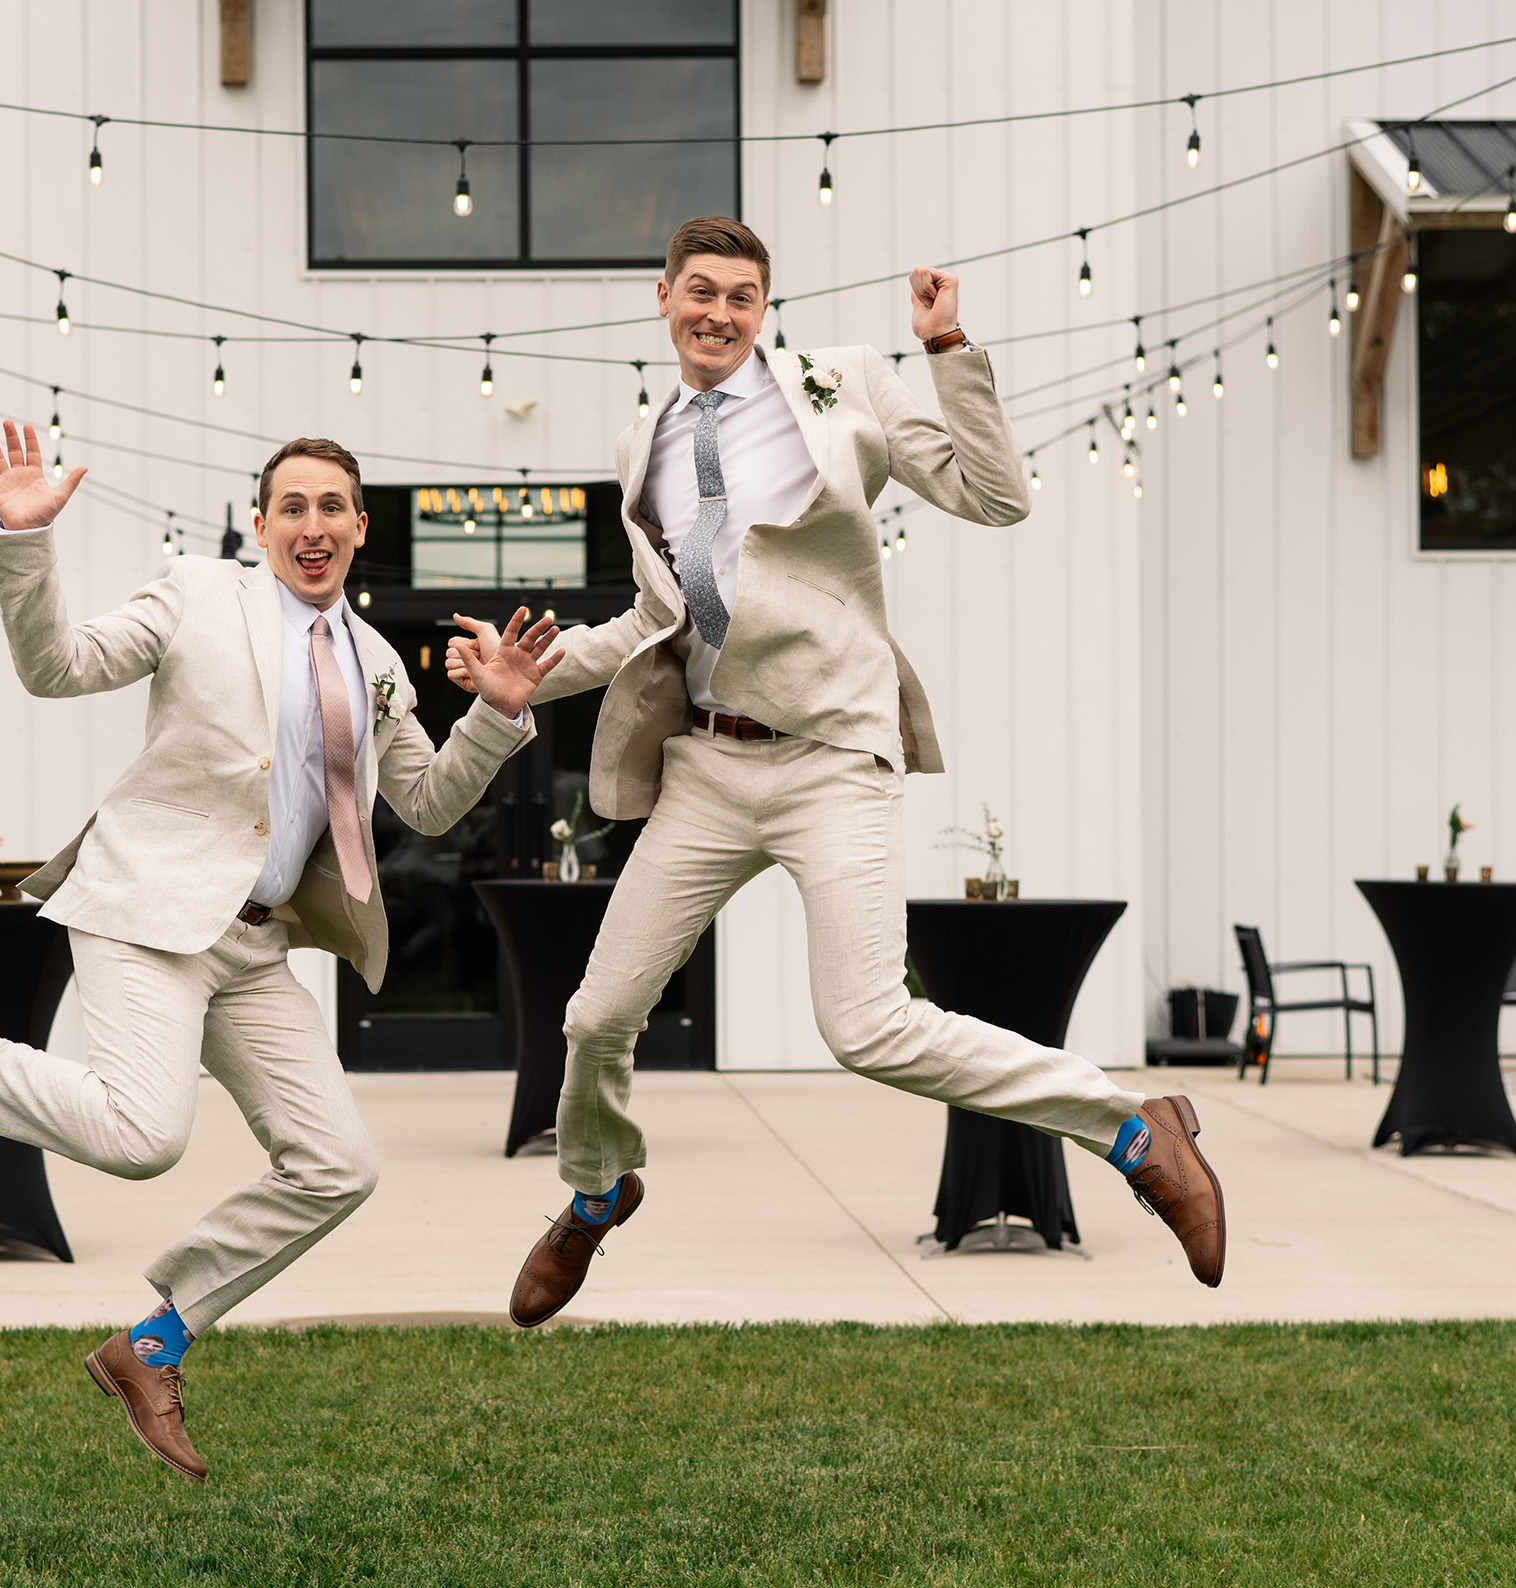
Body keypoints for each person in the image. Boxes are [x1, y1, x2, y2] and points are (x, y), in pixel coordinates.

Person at [452, 217, 1227, 1324]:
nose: (718, 312)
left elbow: (995, 494)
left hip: (830, 758)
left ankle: (1136, 1131)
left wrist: (949, 348)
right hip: (708, 765)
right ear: (662, 297)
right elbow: (652, 618)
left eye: (742, 295)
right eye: (700, 291)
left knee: (868, 1025)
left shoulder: (841, 384)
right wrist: (534, 674)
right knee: (594, 1015)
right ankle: (593, 1192)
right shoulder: (646, 443)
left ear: (764, 310)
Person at [0, 424, 562, 1480]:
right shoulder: (194, 593)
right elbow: (56, 666)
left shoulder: (376, 661)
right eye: (292, 506)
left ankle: (152, 1344)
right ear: (260, 525)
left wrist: (495, 713)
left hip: (256, 947)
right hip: (147, 906)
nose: (313, 525)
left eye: (332, 507)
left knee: (336, 1165)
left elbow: (432, 802)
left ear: (362, 526)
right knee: (141, 1134)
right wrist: (23, 542)